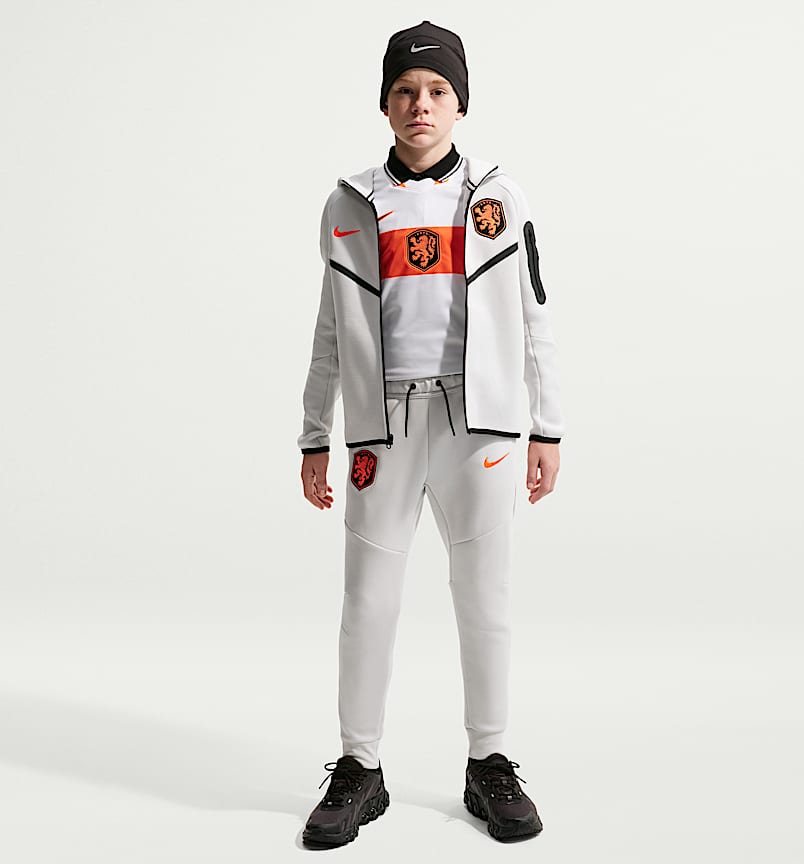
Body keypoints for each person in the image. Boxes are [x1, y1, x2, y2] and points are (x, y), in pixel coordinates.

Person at [297, 20, 564, 847]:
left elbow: (534, 316)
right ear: (385, 105)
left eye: (438, 91)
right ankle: (360, 767)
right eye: (406, 91)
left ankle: (489, 761)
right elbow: (330, 328)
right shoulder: (348, 202)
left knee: (485, 596)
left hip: (476, 425)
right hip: (381, 427)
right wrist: (314, 435)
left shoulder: (497, 198)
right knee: (367, 600)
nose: (422, 104)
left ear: (460, 104)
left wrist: (548, 428)